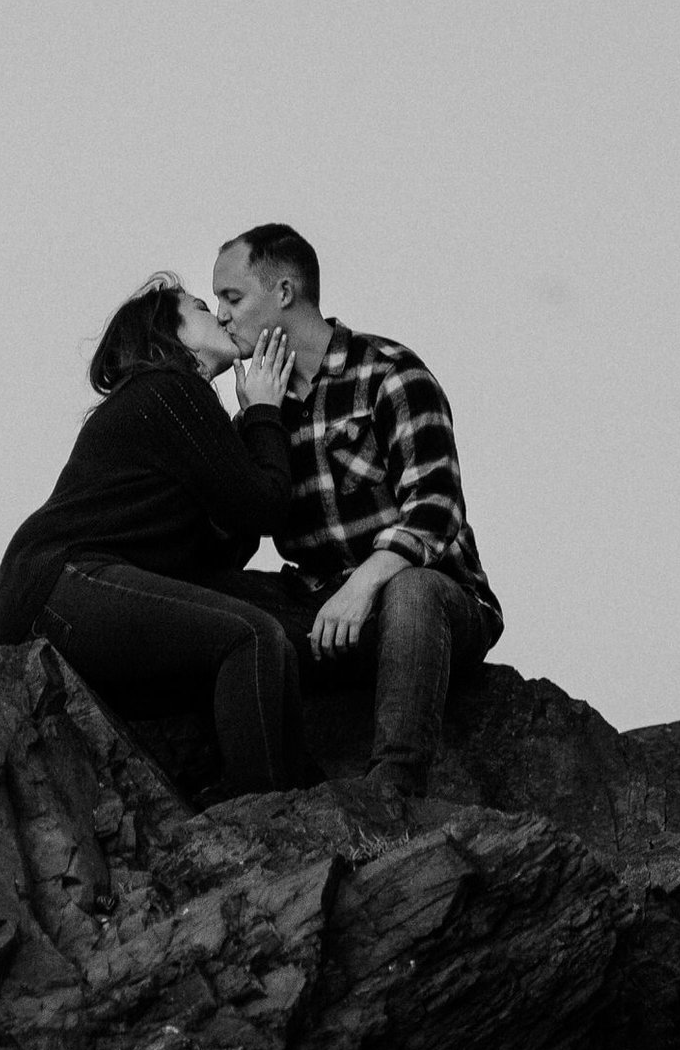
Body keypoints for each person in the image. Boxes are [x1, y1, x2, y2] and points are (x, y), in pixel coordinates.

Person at [208, 224, 502, 806]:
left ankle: (393, 793)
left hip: (432, 602)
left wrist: (363, 585)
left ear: (285, 292)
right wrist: (247, 415)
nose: (220, 315)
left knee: (413, 590)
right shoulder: (264, 406)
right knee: (208, 603)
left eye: (232, 298)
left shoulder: (390, 373)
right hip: (321, 607)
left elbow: (435, 511)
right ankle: (248, 787)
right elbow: (231, 535)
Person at [0, 275, 306, 794]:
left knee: (272, 642)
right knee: (249, 636)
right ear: (173, 334)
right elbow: (264, 507)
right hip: (58, 583)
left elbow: (229, 543)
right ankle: (266, 818)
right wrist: (264, 413)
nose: (222, 316)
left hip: (55, 598)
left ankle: (281, 799)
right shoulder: (169, 390)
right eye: (204, 308)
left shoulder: (178, 405)